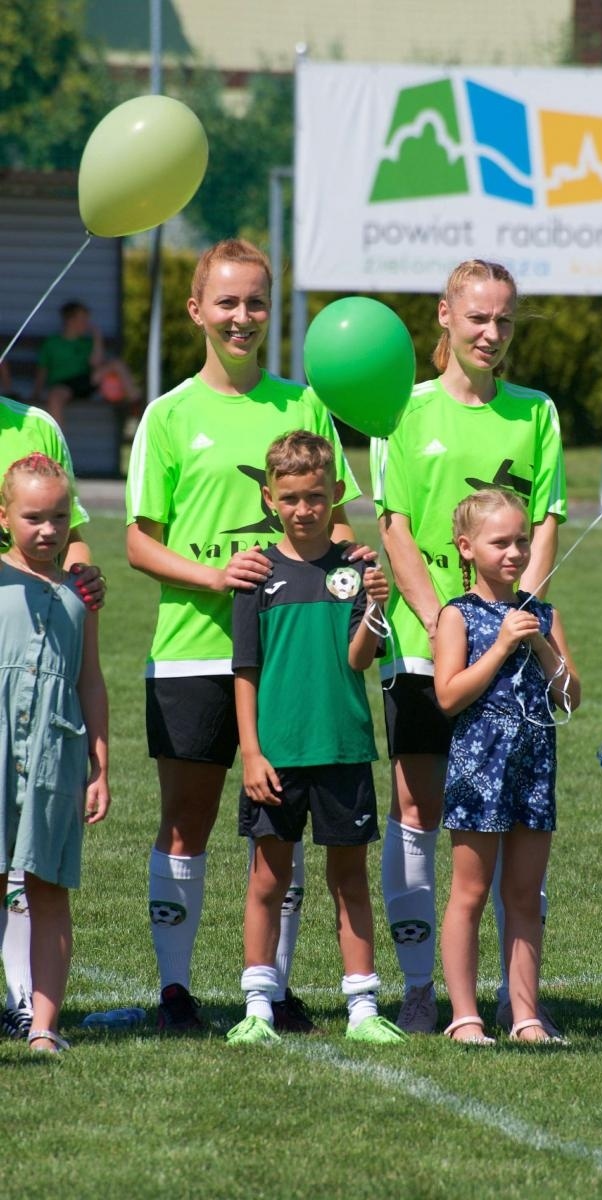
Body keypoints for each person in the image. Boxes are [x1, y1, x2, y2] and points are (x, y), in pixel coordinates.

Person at [126, 239, 364, 1034]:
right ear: (196, 309)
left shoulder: (302, 405)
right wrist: (217, 578)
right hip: (193, 653)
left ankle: (277, 988)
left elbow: (337, 517)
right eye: (226, 302)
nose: (241, 316)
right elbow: (139, 542)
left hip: (295, 659)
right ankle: (175, 990)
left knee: (284, 832)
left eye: (256, 302)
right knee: (185, 823)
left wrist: (356, 558)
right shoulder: (168, 415)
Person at [370, 258, 566, 1034]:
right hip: (431, 645)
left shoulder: (537, 412)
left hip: (514, 649)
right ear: (444, 318)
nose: (492, 333)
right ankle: (424, 988)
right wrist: (443, 618)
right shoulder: (403, 410)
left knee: (520, 815)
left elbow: (545, 522)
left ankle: (520, 1002)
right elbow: (394, 528)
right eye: (478, 317)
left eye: (505, 320)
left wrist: (523, 613)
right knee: (419, 807)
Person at [228, 431, 406, 1045]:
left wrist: (378, 610)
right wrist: (251, 752)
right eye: (290, 498)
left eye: (315, 497)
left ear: (335, 494)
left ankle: (361, 1007)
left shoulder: (355, 569)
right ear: (269, 497)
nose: (303, 510)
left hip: (343, 748)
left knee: (349, 880)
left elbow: (359, 659)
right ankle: (257, 1004)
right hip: (275, 755)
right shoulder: (257, 574)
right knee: (268, 879)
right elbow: (245, 671)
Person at [434, 489, 579, 1043]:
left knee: (524, 894)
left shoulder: (543, 613)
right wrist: (497, 648)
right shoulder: (458, 615)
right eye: (501, 542)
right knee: (469, 892)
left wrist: (543, 648)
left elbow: (570, 698)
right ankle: (464, 1016)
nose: (515, 552)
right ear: (467, 548)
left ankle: (525, 1015)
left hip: (533, 764)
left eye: (523, 540)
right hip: (479, 764)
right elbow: (448, 697)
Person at [0, 391, 105, 1040]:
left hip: (54, 753)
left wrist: (101, 764)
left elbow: (91, 681)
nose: (48, 530)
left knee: (48, 886)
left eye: (59, 517)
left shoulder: (79, 594)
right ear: (5, 517)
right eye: (33, 518)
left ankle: (43, 1025)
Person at [32, 300, 140, 428]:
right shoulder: (52, 343)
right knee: (55, 397)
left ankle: (135, 403)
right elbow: (42, 369)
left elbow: (96, 363)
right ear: (70, 321)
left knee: (116, 364)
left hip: (87, 381)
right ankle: (58, 439)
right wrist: (36, 392)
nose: (86, 324)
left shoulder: (86, 343)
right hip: (64, 385)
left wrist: (97, 337)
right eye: (83, 320)